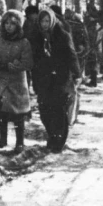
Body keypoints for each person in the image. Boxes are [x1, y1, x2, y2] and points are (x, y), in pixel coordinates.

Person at [30, 8, 81, 153]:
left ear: (52, 21)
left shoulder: (63, 36)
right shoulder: (36, 37)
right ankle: (52, 135)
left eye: (47, 21)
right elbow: (34, 59)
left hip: (61, 77)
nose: (44, 24)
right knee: (44, 110)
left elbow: (71, 55)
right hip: (43, 78)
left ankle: (58, 141)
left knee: (58, 110)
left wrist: (77, 74)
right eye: (42, 21)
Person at [0, 10, 33, 153]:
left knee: (18, 114)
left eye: (12, 23)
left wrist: (15, 66)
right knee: (1, 111)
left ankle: (20, 141)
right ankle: (2, 138)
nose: (9, 26)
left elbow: (28, 61)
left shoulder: (24, 42)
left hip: (16, 81)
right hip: (0, 79)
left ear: (18, 25)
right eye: (6, 23)